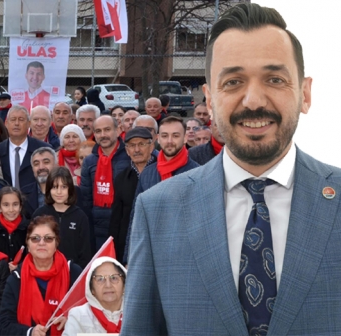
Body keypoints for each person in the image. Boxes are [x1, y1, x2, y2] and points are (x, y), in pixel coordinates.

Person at [122, 4, 339, 334]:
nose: (253, 100)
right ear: (209, 100)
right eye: (234, 81)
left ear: (305, 94)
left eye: (275, 79)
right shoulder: (158, 211)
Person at [0, 215, 83, 336]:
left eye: (48, 238)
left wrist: (71, 321)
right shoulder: (16, 278)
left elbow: (89, 314)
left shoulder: (73, 273)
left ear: (56, 242)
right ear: (27, 243)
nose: (41, 243)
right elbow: (4, 326)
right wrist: (29, 332)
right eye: (35, 238)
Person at [80, 115, 130, 249]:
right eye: (98, 131)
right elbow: (86, 198)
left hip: (124, 225)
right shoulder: (89, 161)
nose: (103, 135)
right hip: (97, 227)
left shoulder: (130, 156)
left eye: (107, 130)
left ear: (118, 130)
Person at [110, 127, 156, 261]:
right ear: (127, 150)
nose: (136, 150)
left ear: (151, 146)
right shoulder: (121, 178)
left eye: (141, 144)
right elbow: (116, 219)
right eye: (132, 145)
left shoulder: (162, 173)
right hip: (128, 245)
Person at [32, 167, 91, 268]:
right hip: (44, 270)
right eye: (55, 187)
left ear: (70, 189)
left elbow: (85, 253)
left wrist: (77, 271)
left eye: (63, 187)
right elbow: (32, 245)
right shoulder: (40, 214)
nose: (59, 192)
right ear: (49, 189)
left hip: (71, 272)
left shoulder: (80, 216)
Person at [62, 257, 126, 335]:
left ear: (124, 285)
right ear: (92, 289)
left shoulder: (137, 314)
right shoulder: (78, 315)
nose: (108, 285)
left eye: (114, 278)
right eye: (100, 279)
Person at [0, 105, 49, 190]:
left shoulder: (43, 149)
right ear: (6, 123)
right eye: (13, 119)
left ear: (29, 124)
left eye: (21, 119)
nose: (16, 123)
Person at [0, 186, 28, 270]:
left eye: (15, 204)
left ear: (20, 206)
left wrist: (19, 267)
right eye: (6, 205)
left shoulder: (29, 228)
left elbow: (32, 257)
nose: (11, 209)